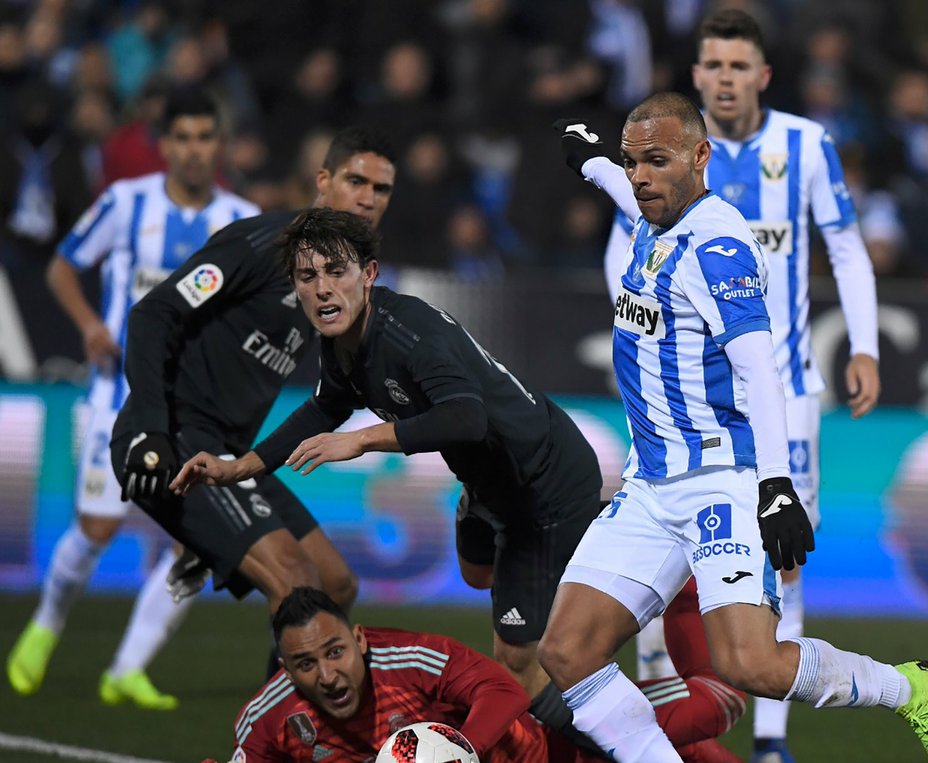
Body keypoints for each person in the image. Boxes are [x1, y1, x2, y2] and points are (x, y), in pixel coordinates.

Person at [541, 92, 928, 763]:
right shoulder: (649, 208)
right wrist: (588, 156)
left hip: (721, 481)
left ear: (701, 159)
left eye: (656, 161)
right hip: (650, 483)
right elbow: (613, 181)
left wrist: (776, 486)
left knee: (750, 664)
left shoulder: (719, 247)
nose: (639, 177)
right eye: (634, 162)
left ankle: (909, 687)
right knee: (567, 650)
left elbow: (759, 371)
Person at [604, 9, 881, 763]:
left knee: (782, 556)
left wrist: (865, 344)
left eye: (738, 65)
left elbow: (846, 247)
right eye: (713, 64)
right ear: (696, 77)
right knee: (666, 552)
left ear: (763, 75)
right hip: (685, 398)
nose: (725, 77)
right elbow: (622, 245)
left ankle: (769, 735)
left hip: (780, 390)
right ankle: (672, 708)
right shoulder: (661, 157)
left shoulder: (805, 147)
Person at [168, 207, 602, 702]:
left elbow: (466, 419)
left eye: (336, 272)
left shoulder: (409, 335)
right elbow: (323, 408)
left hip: (543, 486)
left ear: (368, 275)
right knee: (477, 573)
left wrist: (361, 438)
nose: (323, 288)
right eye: (308, 276)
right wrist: (240, 466)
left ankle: (562, 755)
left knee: (518, 661)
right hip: (490, 483)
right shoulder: (342, 338)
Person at [6, 89, 259, 709]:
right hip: (118, 392)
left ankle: (127, 667)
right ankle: (46, 624)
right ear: (166, 145)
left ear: (218, 146)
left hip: (196, 408)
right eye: (185, 138)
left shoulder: (242, 219)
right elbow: (62, 267)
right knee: (96, 526)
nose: (195, 150)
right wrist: (91, 325)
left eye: (206, 138)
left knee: (193, 544)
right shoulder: (126, 202)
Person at [109, 126, 398, 621]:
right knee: (297, 581)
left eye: (381, 189)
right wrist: (152, 431)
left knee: (335, 584)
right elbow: (152, 314)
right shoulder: (264, 242)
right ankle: (287, 704)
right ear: (323, 180)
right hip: (173, 435)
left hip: (230, 453)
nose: (368, 199)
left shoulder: (343, 277)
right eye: (356, 181)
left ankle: (293, 699)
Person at [180, 586, 749, 763]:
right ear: (282, 666)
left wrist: (455, 756)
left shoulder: (409, 655)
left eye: (335, 653)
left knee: (723, 697)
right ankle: (664, 761)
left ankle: (684, 594)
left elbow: (505, 692)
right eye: (305, 665)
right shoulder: (270, 720)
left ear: (358, 639)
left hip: (552, 754)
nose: (327, 675)